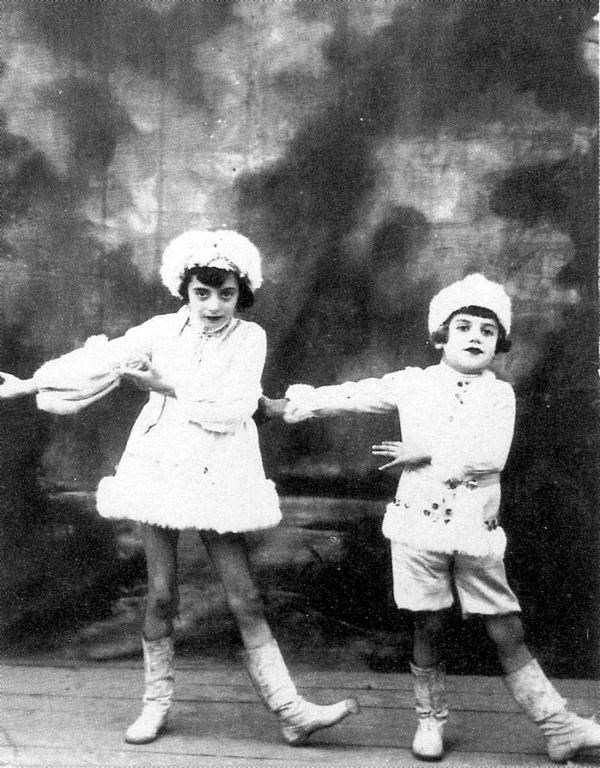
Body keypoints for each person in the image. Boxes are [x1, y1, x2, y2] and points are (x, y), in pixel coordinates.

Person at [0, 229, 358, 746]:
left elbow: (234, 405)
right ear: (184, 291)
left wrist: (166, 386)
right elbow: (103, 360)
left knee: (245, 598)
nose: (213, 306)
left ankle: (291, 710)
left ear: (241, 293)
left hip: (219, 469)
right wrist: (32, 384)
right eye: (201, 293)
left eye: (225, 294)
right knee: (162, 594)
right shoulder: (160, 331)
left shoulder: (250, 338)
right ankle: (155, 705)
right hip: (160, 465)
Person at [262, 273, 600, 762]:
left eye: (487, 331)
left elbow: (491, 458)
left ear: (499, 342)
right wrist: (289, 405)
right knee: (429, 624)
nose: (475, 338)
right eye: (463, 327)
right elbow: (353, 394)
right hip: (417, 527)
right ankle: (429, 721)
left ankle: (559, 725)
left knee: (506, 628)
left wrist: (426, 453)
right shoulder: (414, 384)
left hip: (475, 532)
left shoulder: (499, 395)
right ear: (441, 335)